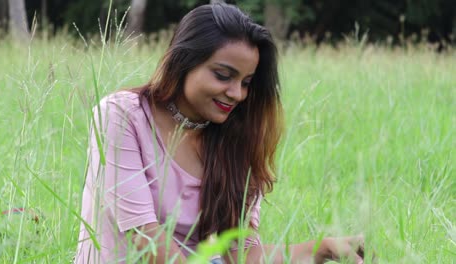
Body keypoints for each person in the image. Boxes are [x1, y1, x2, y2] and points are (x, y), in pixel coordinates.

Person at [75, 3, 366, 264]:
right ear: (184, 62)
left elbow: (242, 253)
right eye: (223, 76)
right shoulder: (121, 115)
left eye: (247, 82)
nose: (236, 94)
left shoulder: (236, 137)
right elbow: (145, 238)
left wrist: (321, 249)